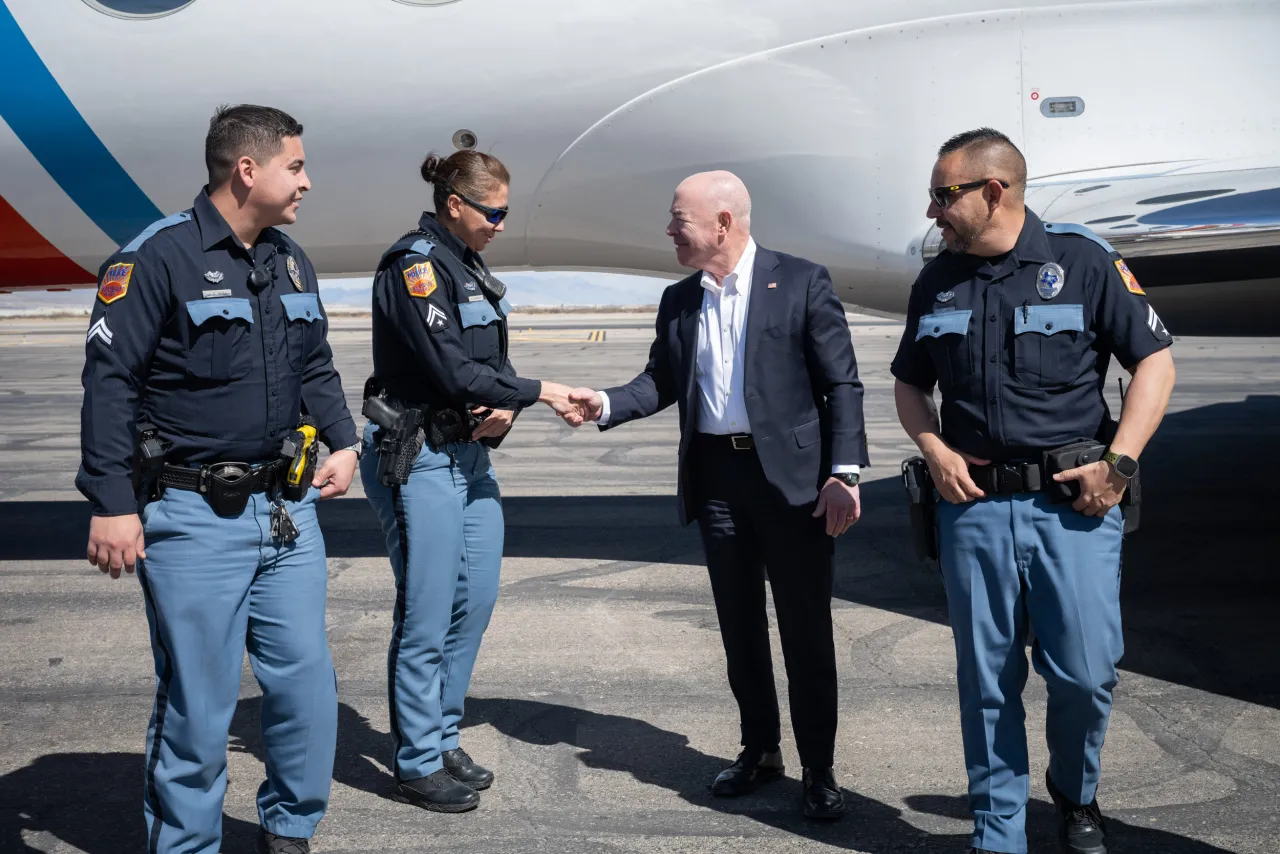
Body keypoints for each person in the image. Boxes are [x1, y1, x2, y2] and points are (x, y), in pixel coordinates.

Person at [76, 105, 360, 854]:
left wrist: (344, 440)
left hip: (285, 511)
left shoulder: (288, 258)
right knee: (199, 707)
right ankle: (186, 844)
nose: (308, 181)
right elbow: (110, 386)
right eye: (296, 166)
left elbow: (316, 363)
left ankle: (290, 829)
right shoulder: (153, 260)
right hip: (192, 514)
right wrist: (112, 503)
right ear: (247, 170)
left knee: (306, 689)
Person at [891, 128, 1176, 854]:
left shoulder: (1080, 261)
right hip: (975, 507)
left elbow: (1154, 365)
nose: (932, 212)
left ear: (994, 192)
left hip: (1074, 507)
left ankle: (1076, 796)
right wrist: (931, 445)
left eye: (942, 195)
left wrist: (1121, 463)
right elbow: (908, 382)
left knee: (1085, 674)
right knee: (986, 680)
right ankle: (999, 832)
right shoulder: (938, 280)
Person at [569, 171, 869, 820]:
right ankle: (760, 750)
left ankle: (819, 767)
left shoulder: (800, 281)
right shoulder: (680, 300)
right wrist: (605, 403)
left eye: (680, 219)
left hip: (791, 487)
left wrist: (843, 472)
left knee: (805, 631)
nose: (670, 230)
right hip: (719, 484)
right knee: (739, 629)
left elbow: (842, 385)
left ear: (724, 222)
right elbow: (659, 382)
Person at [360, 149, 582, 813]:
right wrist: (544, 390)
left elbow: (490, 367)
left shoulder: (469, 266)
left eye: (506, 212)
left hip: (467, 454)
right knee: (426, 611)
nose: (501, 224)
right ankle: (416, 759)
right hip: (418, 454)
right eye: (494, 211)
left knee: (474, 599)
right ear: (454, 203)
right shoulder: (416, 267)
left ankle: (442, 731)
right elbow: (453, 369)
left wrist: (506, 408)